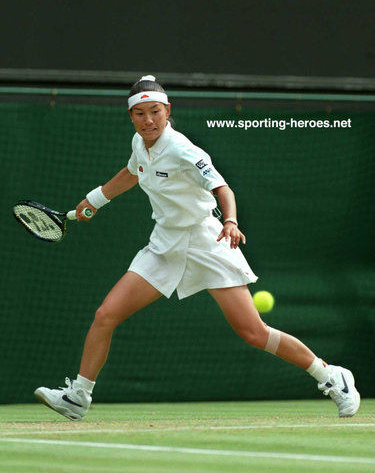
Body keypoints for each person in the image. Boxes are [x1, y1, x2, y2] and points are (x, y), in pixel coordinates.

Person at [34, 75, 360, 421]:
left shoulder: (183, 149)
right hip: (165, 244)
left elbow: (223, 189)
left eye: (155, 112)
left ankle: (331, 376)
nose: (148, 120)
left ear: (168, 111)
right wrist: (96, 199)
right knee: (105, 315)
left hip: (208, 241)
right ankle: (78, 396)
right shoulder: (139, 143)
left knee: (253, 332)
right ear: (131, 116)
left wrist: (231, 222)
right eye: (140, 114)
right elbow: (132, 172)